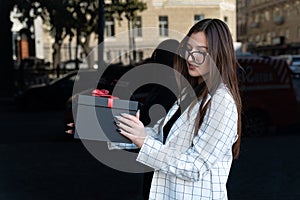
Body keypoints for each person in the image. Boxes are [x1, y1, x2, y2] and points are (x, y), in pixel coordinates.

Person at [114, 18, 242, 199]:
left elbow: (195, 167)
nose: (190, 57)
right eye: (188, 49)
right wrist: (93, 127)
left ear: (218, 54)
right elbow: (156, 136)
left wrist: (144, 142)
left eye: (201, 52)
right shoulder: (190, 93)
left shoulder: (221, 100)